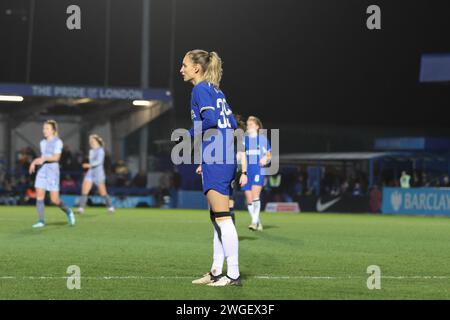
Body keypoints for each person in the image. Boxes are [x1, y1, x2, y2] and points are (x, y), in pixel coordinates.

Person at [180, 49, 242, 286]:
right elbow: (232, 123)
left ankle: (233, 275)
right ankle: (217, 271)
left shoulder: (200, 89)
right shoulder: (216, 90)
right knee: (217, 217)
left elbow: (211, 121)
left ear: (197, 68)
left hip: (218, 157)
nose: (181, 69)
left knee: (223, 218)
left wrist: (185, 135)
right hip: (218, 156)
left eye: (184, 64)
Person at [28, 120, 75, 228]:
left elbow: (56, 158)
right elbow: (42, 158)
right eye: (44, 128)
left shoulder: (58, 142)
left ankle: (68, 212)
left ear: (53, 130)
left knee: (55, 200)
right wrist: (34, 162)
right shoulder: (42, 143)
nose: (44, 130)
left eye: (47, 128)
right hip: (42, 171)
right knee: (39, 197)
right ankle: (41, 221)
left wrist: (43, 159)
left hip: (53, 172)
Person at [242, 116, 271, 231]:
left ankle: (254, 222)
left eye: (251, 124)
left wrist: (265, 159)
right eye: (247, 124)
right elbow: (241, 154)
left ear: (257, 126)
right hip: (247, 171)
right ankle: (258, 222)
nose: (248, 126)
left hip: (258, 170)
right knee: (249, 199)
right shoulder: (245, 139)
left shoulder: (262, 139)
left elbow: (269, 154)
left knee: (255, 196)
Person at [76, 134, 114, 214]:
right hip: (90, 173)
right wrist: (89, 166)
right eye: (90, 141)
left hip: (98, 174)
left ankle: (110, 207)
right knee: (85, 190)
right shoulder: (91, 151)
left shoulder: (101, 151)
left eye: (92, 141)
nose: (91, 142)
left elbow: (99, 162)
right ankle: (81, 208)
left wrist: (89, 165)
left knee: (103, 192)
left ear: (97, 141)